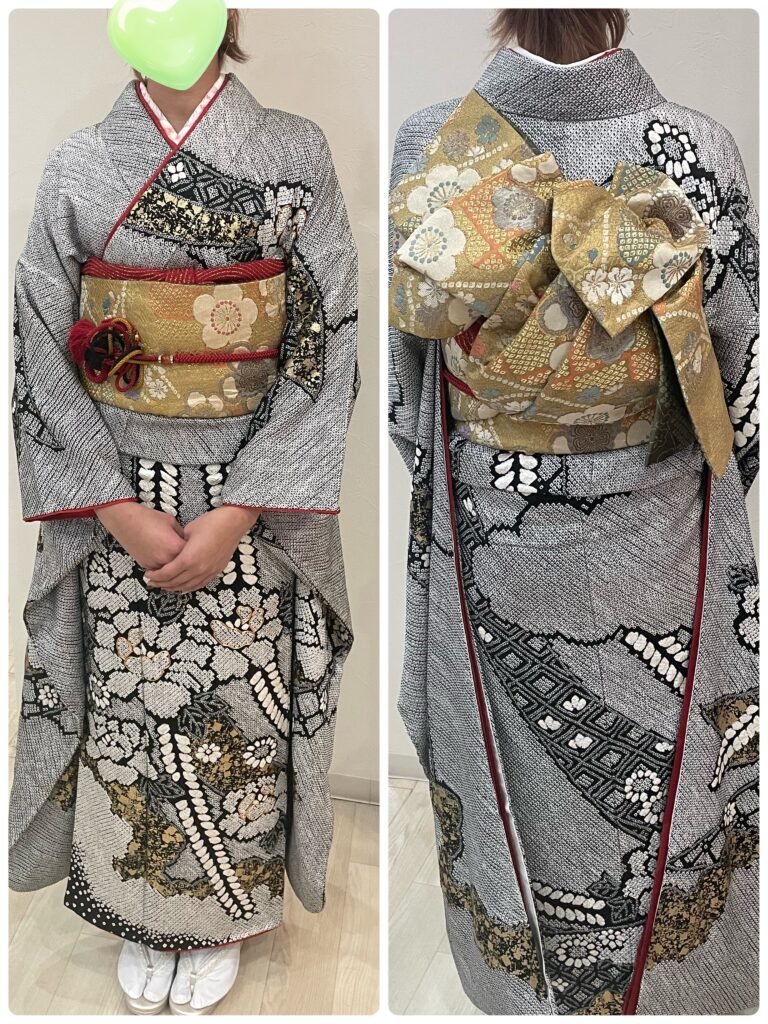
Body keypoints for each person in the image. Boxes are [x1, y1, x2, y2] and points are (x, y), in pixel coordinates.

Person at [389, 8, 757, 1015]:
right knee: (670, 773)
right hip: (660, 535)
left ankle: (530, 986)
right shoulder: (698, 149)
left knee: (518, 765)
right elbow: (737, 385)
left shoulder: (435, 142)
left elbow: (412, 392)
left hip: (490, 525)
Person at [11, 10, 358, 1015]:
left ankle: (225, 917)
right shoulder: (81, 164)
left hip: (252, 496)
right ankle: (139, 907)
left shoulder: (293, 152)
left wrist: (239, 508)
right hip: (117, 489)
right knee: (130, 705)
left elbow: (324, 332)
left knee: (239, 710)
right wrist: (117, 508)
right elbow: (39, 339)